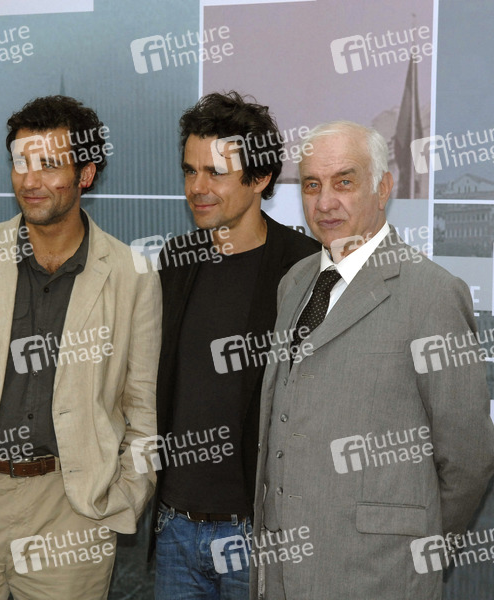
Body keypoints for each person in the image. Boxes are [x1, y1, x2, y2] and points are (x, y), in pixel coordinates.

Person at [0, 95, 160, 600]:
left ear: (86, 174)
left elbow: (142, 408)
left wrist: (123, 497)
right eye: (20, 162)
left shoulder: (132, 276)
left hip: (72, 511)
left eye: (49, 164)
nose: (30, 180)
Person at [251, 121, 494, 600]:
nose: (325, 202)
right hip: (280, 572)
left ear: (383, 188)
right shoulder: (295, 283)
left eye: (344, 182)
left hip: (379, 576)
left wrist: (410, 546)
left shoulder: (432, 295)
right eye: (311, 185)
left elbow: (468, 458)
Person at [148, 91, 320, 600]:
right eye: (189, 170)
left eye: (215, 173)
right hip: (175, 527)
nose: (197, 188)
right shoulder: (176, 258)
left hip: (256, 531)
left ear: (260, 177)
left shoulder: (305, 266)